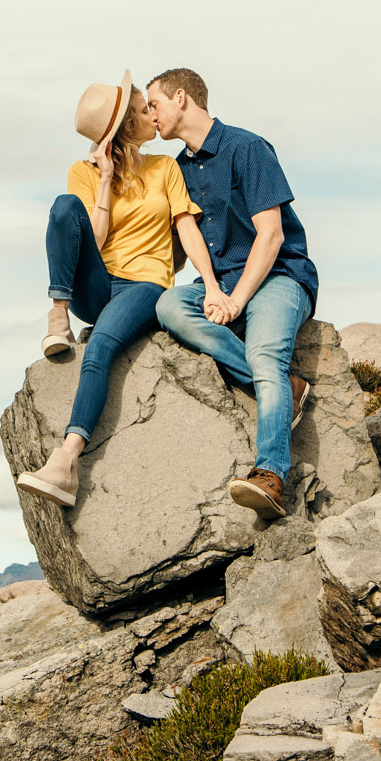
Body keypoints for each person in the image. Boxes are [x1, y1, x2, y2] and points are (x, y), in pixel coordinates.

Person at [16, 70, 228, 508]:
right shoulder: (85, 171)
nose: (152, 114)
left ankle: (66, 462)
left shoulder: (165, 167)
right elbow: (90, 241)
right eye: (142, 109)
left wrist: (211, 287)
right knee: (63, 207)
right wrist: (107, 180)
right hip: (96, 284)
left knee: (99, 352)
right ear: (126, 126)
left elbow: (186, 228)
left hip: (145, 284)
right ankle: (58, 314)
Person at [147, 67, 318, 520]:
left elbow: (272, 236)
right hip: (219, 282)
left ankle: (272, 475)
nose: (150, 116)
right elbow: (186, 248)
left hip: (279, 276)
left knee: (265, 356)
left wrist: (235, 301)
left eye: (154, 104)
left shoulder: (247, 147)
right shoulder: (177, 169)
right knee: (168, 306)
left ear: (181, 97)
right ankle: (285, 389)